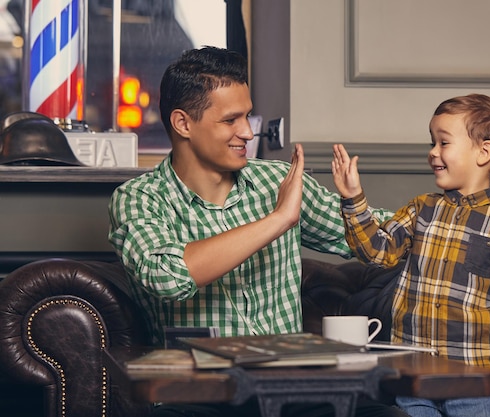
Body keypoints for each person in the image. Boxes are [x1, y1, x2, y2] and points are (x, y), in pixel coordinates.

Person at [108, 46, 404, 417]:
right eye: (231, 120)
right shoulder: (138, 200)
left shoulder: (275, 180)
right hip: (198, 395)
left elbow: (373, 234)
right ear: (183, 123)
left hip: (293, 392)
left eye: (248, 116)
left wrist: (473, 230)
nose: (247, 132)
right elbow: (170, 277)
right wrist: (278, 220)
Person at [331, 94, 490, 417]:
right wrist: (353, 199)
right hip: (415, 379)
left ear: (484, 152)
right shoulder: (421, 209)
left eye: (443, 143)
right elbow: (377, 253)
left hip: (476, 383)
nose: (432, 152)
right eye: (432, 142)